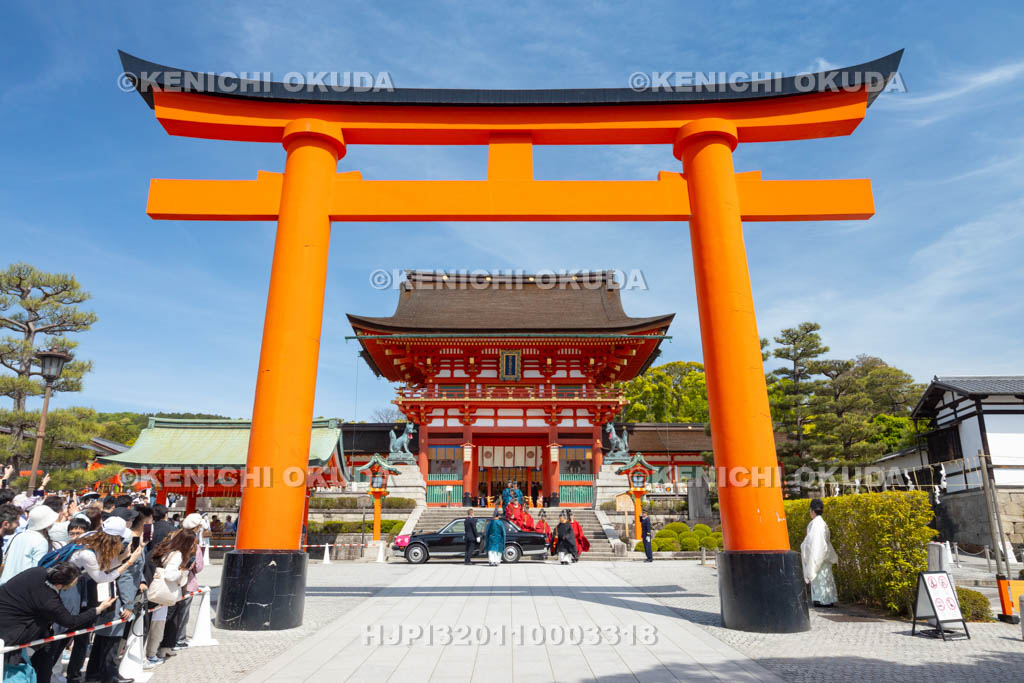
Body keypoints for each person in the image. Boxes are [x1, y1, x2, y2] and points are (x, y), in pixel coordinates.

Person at [0, 563, 117, 681]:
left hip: (4, 614)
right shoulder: (50, 601)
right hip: (10, 633)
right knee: (19, 671)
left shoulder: (36, 572)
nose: (76, 584)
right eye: (75, 582)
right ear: (60, 585)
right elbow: (70, 621)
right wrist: (98, 609)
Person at [145, 528, 198, 661]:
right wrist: (182, 571)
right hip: (164, 593)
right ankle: (151, 654)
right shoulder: (178, 555)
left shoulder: (164, 549)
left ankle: (149, 653)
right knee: (158, 625)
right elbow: (170, 575)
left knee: (150, 624)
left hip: (153, 589)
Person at [0, 504, 58, 585]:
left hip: (4, 586)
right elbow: (36, 571)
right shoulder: (40, 541)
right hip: (21, 588)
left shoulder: (18, 535)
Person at [801, 498, 839, 608]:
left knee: (820, 578)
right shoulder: (822, 523)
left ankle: (821, 600)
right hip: (825, 555)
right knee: (826, 578)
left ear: (812, 511)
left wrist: (803, 546)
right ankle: (828, 600)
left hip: (818, 555)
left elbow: (813, 543)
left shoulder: (815, 524)